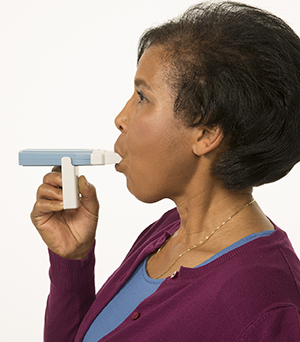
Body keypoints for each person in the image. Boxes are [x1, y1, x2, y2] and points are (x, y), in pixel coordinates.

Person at [31, 1, 300, 341]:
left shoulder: (268, 306)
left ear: (206, 132)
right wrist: (72, 260)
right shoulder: (169, 231)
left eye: (142, 97)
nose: (121, 118)